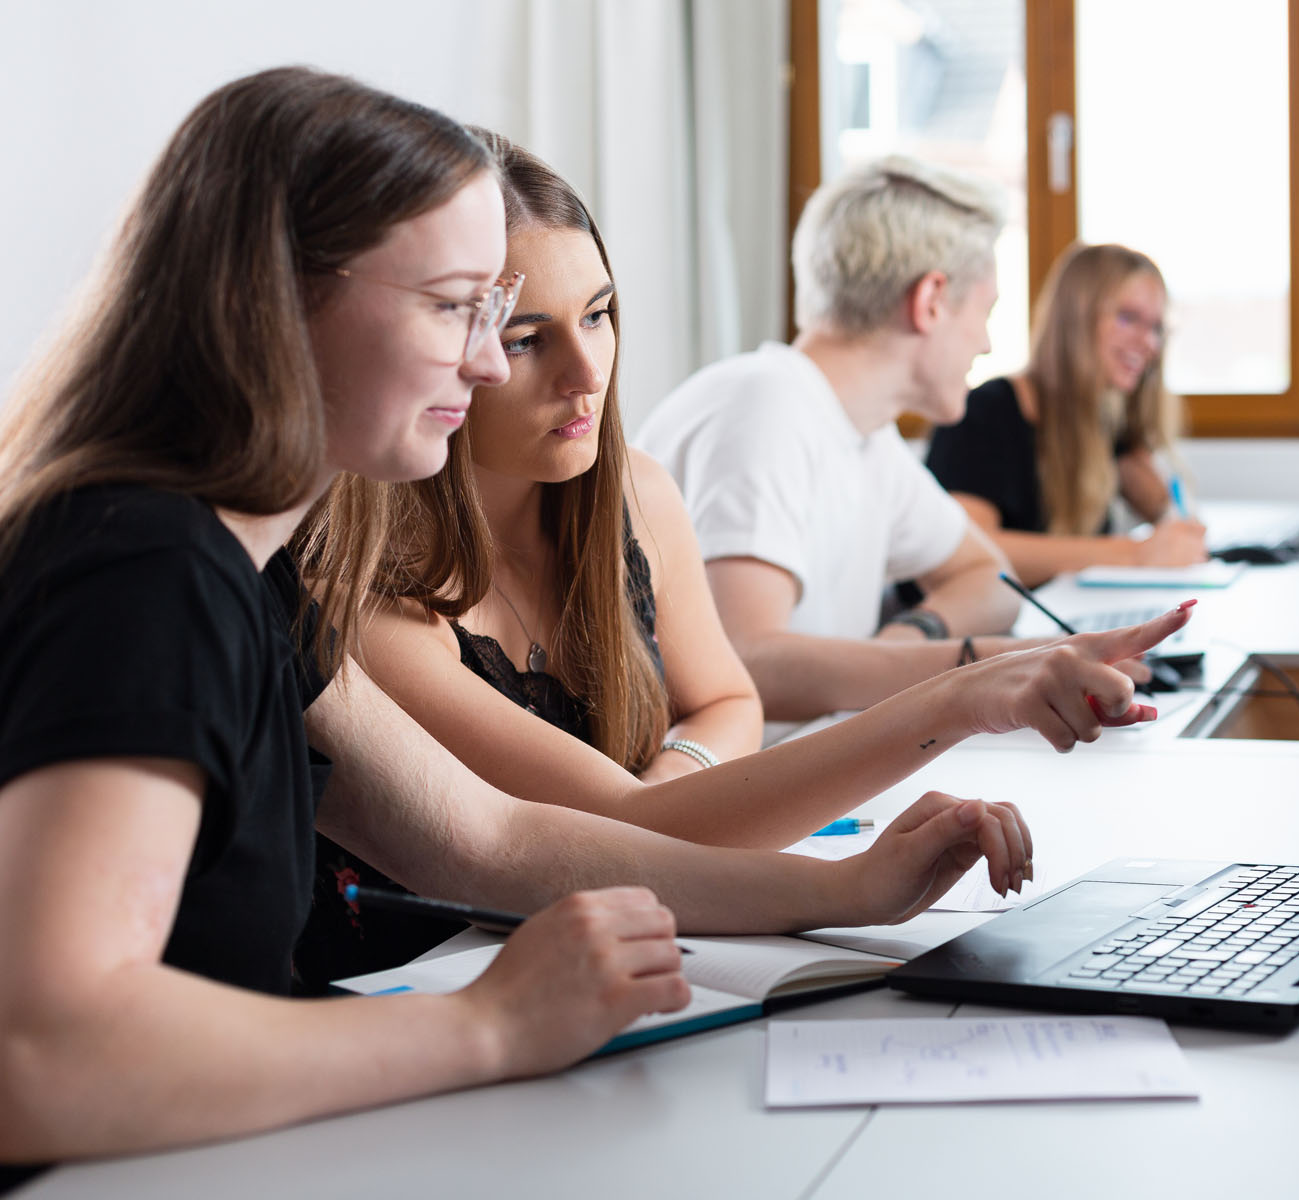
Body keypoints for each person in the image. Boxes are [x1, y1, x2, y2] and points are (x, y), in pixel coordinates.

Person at [0, 68, 1061, 1178]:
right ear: (279, 300)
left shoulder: (241, 571)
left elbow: (488, 839)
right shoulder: (143, 574)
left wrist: (846, 891)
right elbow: (40, 1056)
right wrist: (490, 1026)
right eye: (461, 307)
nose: (480, 359)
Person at [304, 133, 1186, 982]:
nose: (587, 373)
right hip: (425, 986)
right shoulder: (360, 584)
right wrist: (958, 696)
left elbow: (728, 701)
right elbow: (627, 824)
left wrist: (683, 771)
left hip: (605, 948)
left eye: (601, 315)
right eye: (528, 338)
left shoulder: (635, 496)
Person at [638, 156, 1122, 741]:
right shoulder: (766, 407)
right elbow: (745, 662)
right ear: (932, 301)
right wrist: (984, 668)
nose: (988, 341)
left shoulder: (865, 434)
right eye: (986, 312)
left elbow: (989, 577)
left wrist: (908, 638)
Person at [925, 242, 1210, 585]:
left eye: (1156, 328)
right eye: (1127, 318)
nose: (1150, 343)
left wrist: (1171, 519)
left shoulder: (1102, 420)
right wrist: (1135, 554)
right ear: (1076, 318)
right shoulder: (987, 412)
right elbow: (970, 551)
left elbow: (1158, 495)